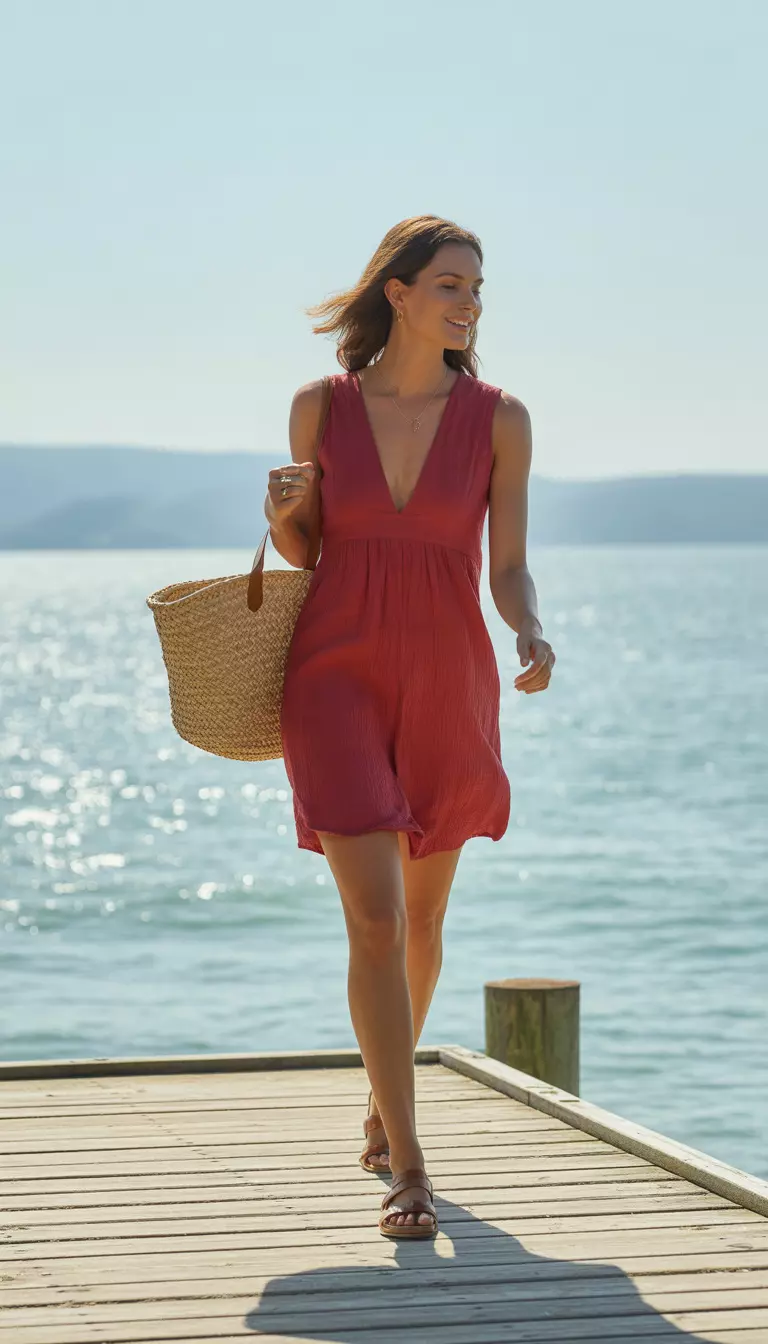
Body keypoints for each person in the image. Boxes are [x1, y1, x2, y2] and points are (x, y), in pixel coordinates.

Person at [263, 215, 556, 1239]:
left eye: (477, 286)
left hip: (446, 679)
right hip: (334, 676)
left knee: (423, 925)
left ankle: (381, 1110)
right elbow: (305, 556)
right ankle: (413, 1167)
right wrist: (281, 517)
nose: (469, 301)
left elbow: (506, 563)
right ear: (397, 293)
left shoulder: (500, 419)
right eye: (448, 283)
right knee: (377, 922)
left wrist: (528, 627)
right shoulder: (319, 408)